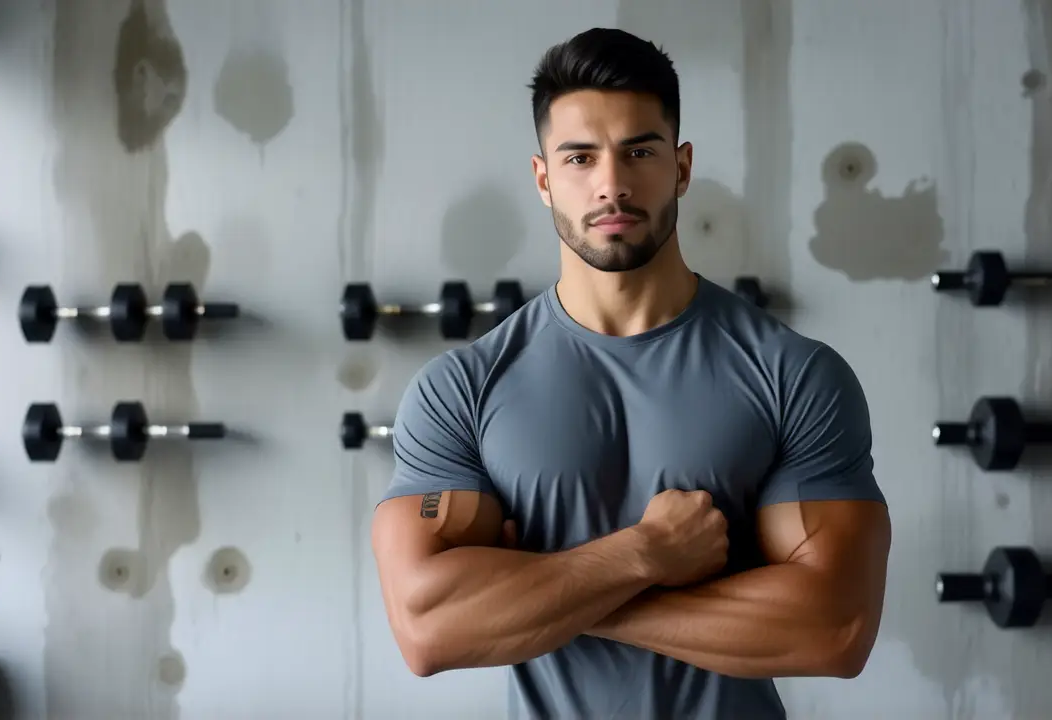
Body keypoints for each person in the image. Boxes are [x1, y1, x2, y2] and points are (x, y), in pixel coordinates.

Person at [371, 27, 891, 720]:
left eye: (639, 152)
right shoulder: (462, 389)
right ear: (543, 179)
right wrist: (644, 553)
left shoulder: (794, 375)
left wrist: (550, 591)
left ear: (681, 167)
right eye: (580, 157)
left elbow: (836, 628)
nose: (611, 184)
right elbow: (430, 631)